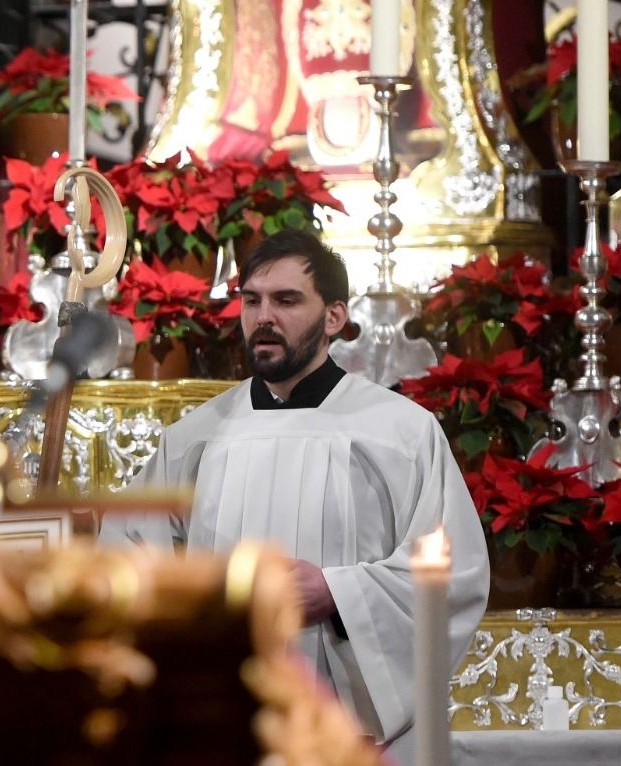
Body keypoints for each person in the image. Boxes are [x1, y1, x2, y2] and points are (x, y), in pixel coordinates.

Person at [99, 230, 489, 761]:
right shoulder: (194, 439)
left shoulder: (400, 433)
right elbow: (128, 559)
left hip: (359, 735)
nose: (264, 317)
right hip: (224, 721)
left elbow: (453, 572)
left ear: (333, 317)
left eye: (286, 300)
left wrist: (339, 594)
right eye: (252, 300)